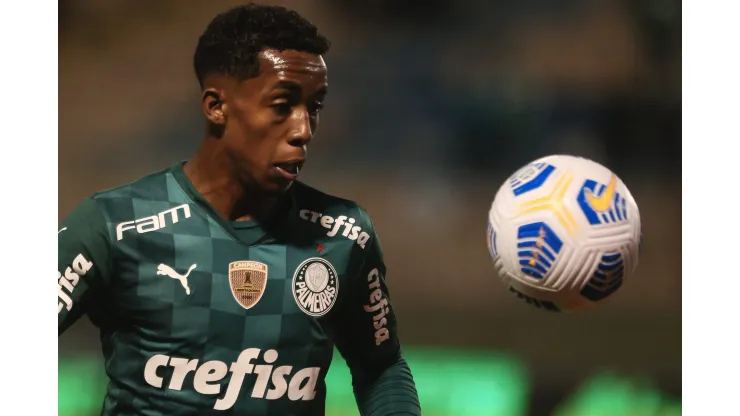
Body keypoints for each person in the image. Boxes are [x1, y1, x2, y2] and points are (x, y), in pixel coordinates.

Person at [58, 4, 421, 415]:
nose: (303, 130)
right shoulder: (114, 226)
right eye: (282, 105)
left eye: (314, 106)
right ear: (217, 107)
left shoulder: (343, 236)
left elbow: (381, 368)